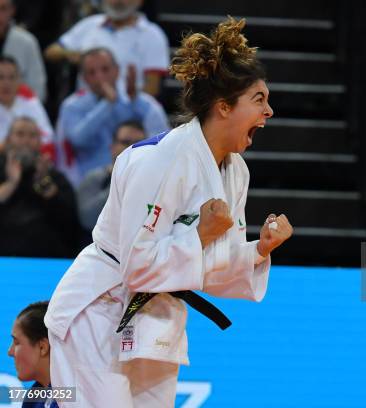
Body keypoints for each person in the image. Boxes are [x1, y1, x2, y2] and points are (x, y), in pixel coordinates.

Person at [45, 17, 293, 407]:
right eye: (259, 100)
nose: (269, 111)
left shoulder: (235, 170)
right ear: (224, 107)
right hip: (100, 308)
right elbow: (137, 266)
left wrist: (258, 249)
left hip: (157, 319)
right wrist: (198, 235)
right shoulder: (155, 161)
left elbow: (211, 270)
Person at [55, 47, 168, 186]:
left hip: (135, 179)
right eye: (92, 72)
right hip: (93, 183)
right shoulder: (72, 105)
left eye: (105, 69)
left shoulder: (134, 100)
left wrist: (135, 99)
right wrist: (107, 104)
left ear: (117, 71)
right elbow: (78, 140)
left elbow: (161, 139)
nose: (100, 77)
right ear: (84, 78)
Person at [44, 0, 169, 97]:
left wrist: (130, 104)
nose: (118, 2)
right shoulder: (89, 25)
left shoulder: (153, 34)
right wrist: (72, 54)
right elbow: (50, 52)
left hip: (128, 109)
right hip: (86, 106)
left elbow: (152, 88)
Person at [0, 117, 80, 257]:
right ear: (7, 141)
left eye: (32, 136)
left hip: (46, 258)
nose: (26, 140)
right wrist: (11, 184)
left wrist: (44, 182)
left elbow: (69, 222)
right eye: (20, 134)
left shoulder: (54, 177)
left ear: (40, 143)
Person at [77, 120, 146, 232]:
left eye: (139, 143)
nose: (133, 147)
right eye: (126, 142)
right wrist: (121, 181)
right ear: (112, 147)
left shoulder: (155, 180)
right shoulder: (94, 179)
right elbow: (87, 220)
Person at [8, 301, 59, 408]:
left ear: (42, 347)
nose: (10, 352)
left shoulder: (73, 400)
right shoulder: (33, 398)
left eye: (17, 342)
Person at [0, 56, 53, 154]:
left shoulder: (29, 101)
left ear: (19, 80)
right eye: (1, 77)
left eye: (12, 77)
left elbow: (48, 140)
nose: (6, 83)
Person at [0, 0, 47, 101]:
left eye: (3, 9)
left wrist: (25, 110)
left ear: (12, 10)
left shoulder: (27, 42)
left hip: (19, 111)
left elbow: (38, 88)